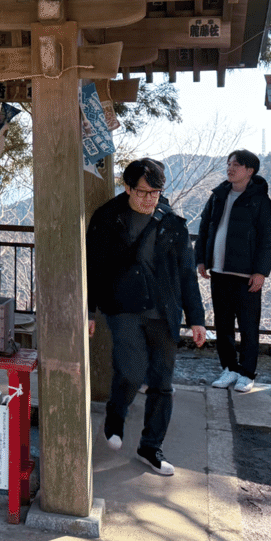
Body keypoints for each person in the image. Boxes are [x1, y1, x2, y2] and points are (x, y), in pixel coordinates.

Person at [87, 158, 206, 476]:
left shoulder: (172, 223)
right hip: (123, 307)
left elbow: (186, 275)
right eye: (142, 192)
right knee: (131, 370)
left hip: (163, 312)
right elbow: (93, 269)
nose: (149, 199)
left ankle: (150, 448)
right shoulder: (107, 218)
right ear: (127, 188)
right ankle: (115, 415)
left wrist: (197, 319)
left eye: (155, 192)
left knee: (162, 384)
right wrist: (89, 311)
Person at [196, 149, 271, 394]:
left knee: (249, 326)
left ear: (249, 171)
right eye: (228, 164)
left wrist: (261, 271)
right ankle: (229, 368)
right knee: (223, 325)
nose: (230, 168)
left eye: (236, 165)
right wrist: (200, 259)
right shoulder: (219, 195)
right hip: (219, 271)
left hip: (246, 275)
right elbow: (204, 228)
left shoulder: (261, 201)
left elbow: (267, 239)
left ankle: (247, 373)